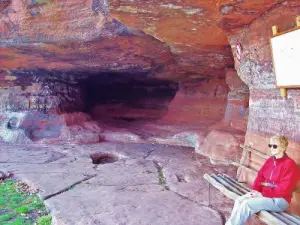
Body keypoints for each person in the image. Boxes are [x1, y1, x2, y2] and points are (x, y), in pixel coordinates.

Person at [225, 136, 299, 225]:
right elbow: (260, 176)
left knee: (247, 204)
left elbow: (284, 189)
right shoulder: (271, 160)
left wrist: (262, 193)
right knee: (239, 201)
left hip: (280, 200)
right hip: (265, 195)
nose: (271, 148)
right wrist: (255, 190)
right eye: (270, 145)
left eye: (275, 146)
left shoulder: (290, 165)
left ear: (283, 147)